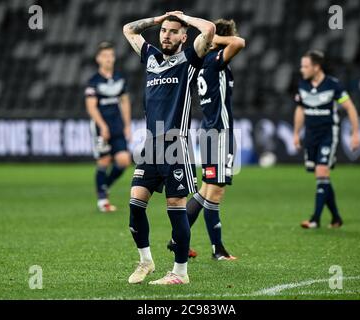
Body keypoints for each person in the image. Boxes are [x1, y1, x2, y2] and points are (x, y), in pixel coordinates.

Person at [123, 11, 215, 284]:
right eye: (164, 30)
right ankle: (146, 261)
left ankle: (180, 273)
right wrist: (157, 19)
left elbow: (209, 30)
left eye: (173, 31)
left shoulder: (189, 60)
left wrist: (184, 17)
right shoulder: (150, 56)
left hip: (176, 145)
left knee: (174, 206)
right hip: (150, 147)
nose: (166, 35)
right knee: (135, 205)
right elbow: (129, 29)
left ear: (183, 37)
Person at [168, 19, 245, 260]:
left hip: (209, 130)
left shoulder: (202, 62)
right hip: (219, 132)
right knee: (215, 192)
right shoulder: (215, 60)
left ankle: (178, 239)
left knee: (207, 189)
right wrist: (215, 38)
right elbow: (239, 43)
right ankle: (217, 250)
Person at [292, 50, 360, 229]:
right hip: (310, 136)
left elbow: (350, 108)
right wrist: (296, 133)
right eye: (302, 66)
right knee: (321, 177)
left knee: (322, 172)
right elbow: (300, 110)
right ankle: (336, 218)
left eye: (305, 66)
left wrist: (355, 133)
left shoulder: (333, 85)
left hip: (328, 134)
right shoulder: (302, 84)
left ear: (316, 67)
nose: (302, 69)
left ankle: (315, 219)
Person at [85, 42, 132, 213]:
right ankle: (103, 200)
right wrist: (102, 126)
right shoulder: (93, 82)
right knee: (104, 161)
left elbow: (125, 102)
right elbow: (91, 106)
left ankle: (105, 186)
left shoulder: (120, 78)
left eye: (111, 55)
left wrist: (127, 125)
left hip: (117, 124)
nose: (108, 59)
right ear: (98, 59)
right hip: (101, 126)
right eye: (104, 56)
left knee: (124, 160)